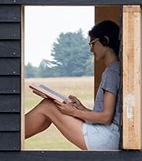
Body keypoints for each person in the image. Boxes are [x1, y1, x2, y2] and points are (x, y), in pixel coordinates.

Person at [24, 20, 122, 150]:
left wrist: (74, 112)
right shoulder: (116, 69)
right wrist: (81, 108)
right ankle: (13, 139)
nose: (91, 49)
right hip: (109, 135)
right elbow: (106, 114)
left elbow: (106, 117)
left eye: (92, 43)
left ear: (105, 40)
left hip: (106, 138)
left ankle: (7, 138)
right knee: (49, 108)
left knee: (47, 106)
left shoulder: (112, 72)